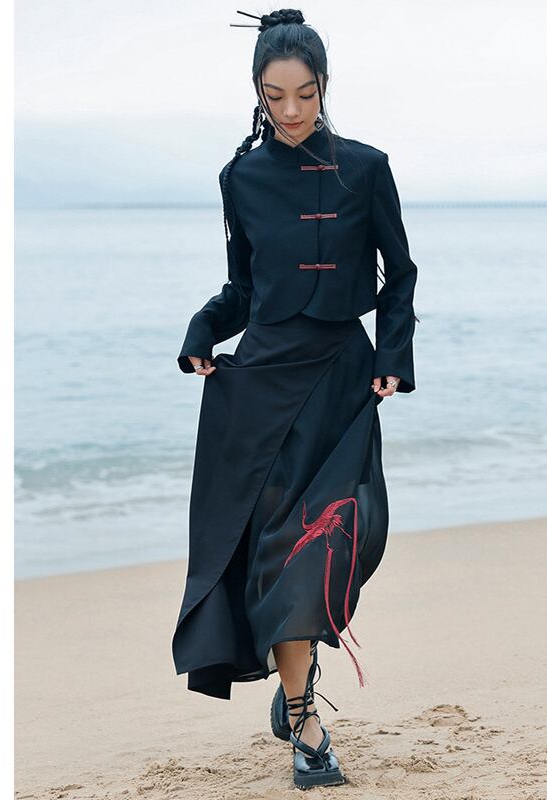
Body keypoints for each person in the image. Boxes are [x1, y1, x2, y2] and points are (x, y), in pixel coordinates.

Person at [171, 8, 419, 790]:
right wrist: (202, 330)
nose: (290, 111)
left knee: (335, 541)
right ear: (256, 92)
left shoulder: (367, 168)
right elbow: (245, 289)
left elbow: (399, 275)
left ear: (324, 86)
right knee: (283, 552)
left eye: (305, 95)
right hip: (264, 386)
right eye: (274, 96)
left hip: (343, 385)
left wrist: (394, 356)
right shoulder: (239, 178)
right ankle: (306, 721)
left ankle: (297, 687)